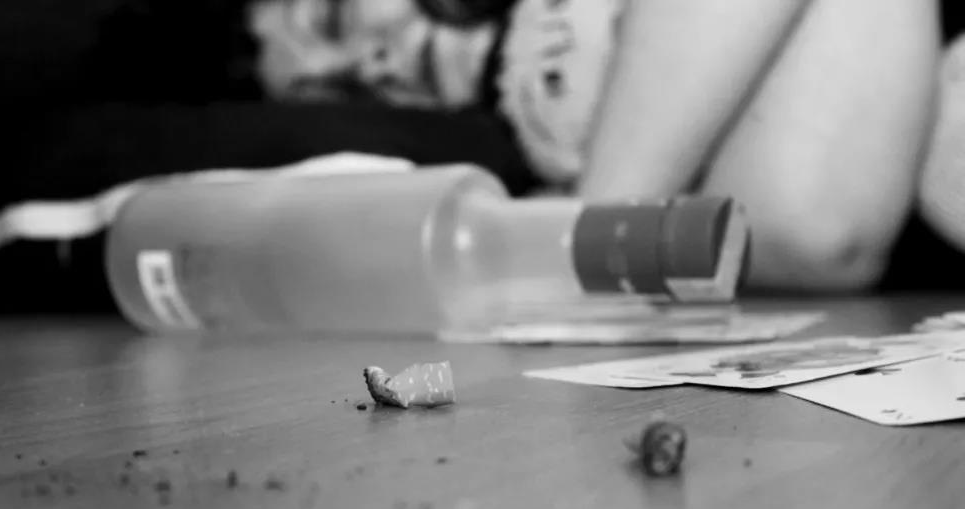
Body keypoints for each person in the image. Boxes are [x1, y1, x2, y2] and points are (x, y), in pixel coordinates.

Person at [245, 0, 943, 292]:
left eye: (331, 20)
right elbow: (810, 230)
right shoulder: (512, 169)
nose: (366, 65)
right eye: (330, 89)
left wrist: (592, 232)